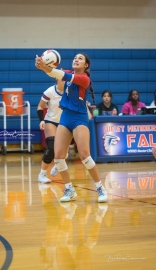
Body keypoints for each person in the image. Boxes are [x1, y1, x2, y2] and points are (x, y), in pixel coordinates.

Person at [35, 52, 108, 203]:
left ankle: (100, 187)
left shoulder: (84, 79)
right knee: (59, 156)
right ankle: (69, 189)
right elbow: (53, 73)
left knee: (85, 156)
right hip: (66, 117)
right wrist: (42, 67)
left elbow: (61, 75)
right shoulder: (67, 73)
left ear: (86, 65)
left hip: (79, 117)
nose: (76, 59)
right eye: (75, 57)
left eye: (80, 58)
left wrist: (46, 67)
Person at [37, 78, 65, 183]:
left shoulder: (70, 91)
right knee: (51, 148)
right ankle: (42, 174)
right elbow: (40, 106)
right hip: (50, 121)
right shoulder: (50, 91)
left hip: (64, 123)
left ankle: (58, 164)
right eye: (62, 79)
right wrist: (41, 120)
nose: (64, 80)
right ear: (57, 79)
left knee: (64, 151)